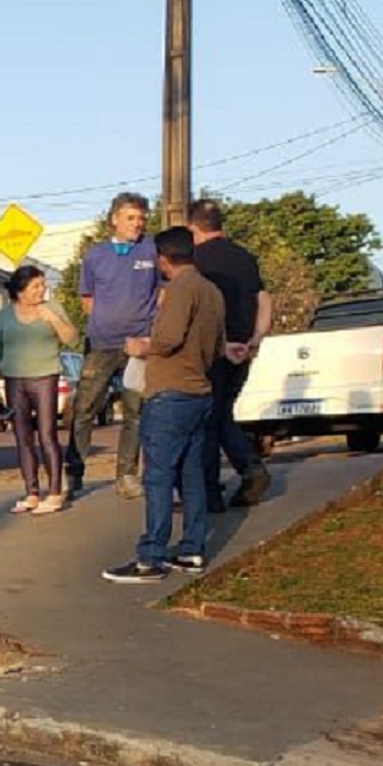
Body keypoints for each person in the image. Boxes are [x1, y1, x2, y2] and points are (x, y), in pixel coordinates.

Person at [103, 226, 225, 584]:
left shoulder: (180, 290)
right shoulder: (212, 291)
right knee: (192, 476)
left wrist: (141, 347)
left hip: (170, 393)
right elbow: (217, 346)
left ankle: (151, 557)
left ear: (163, 258)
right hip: (200, 391)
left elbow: (168, 339)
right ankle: (192, 549)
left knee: (157, 476)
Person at [187, 198, 275, 510]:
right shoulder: (245, 257)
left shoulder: (194, 262)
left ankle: (209, 493)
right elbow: (264, 300)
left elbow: (199, 311)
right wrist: (254, 339)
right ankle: (249, 468)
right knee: (223, 413)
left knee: (207, 420)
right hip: (243, 347)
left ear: (192, 227)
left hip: (213, 349)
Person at [68, 193, 158, 499]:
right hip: (101, 344)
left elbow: (163, 293)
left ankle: (127, 475)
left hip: (139, 346)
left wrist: (148, 333)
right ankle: (73, 474)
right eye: (131, 218)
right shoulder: (95, 255)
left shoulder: (151, 249)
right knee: (84, 409)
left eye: (141, 218)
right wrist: (107, 321)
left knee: (135, 411)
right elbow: (86, 298)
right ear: (114, 219)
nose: (138, 223)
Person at [0, 265, 80, 514]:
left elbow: (72, 338)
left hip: (45, 378)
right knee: (22, 437)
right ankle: (31, 492)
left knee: (47, 435)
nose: (42, 290)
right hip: (15, 380)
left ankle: (55, 492)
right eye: (36, 286)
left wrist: (52, 318)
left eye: (43, 285)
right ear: (20, 291)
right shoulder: (4, 316)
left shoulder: (53, 309)